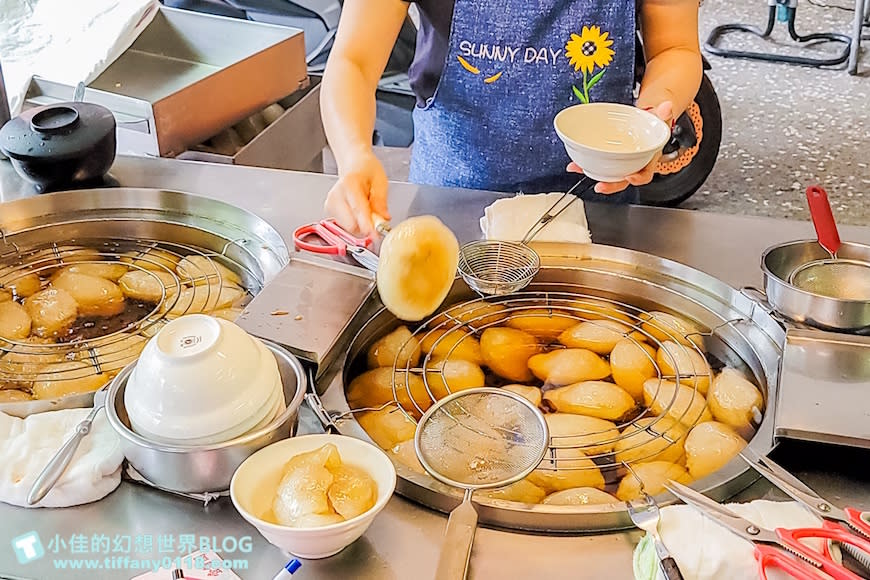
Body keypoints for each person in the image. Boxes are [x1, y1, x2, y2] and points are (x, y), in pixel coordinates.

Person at [321, 0, 703, 235]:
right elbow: (353, 61)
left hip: (595, 208)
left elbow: (675, 48)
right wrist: (354, 154)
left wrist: (653, 118)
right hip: (452, 202)